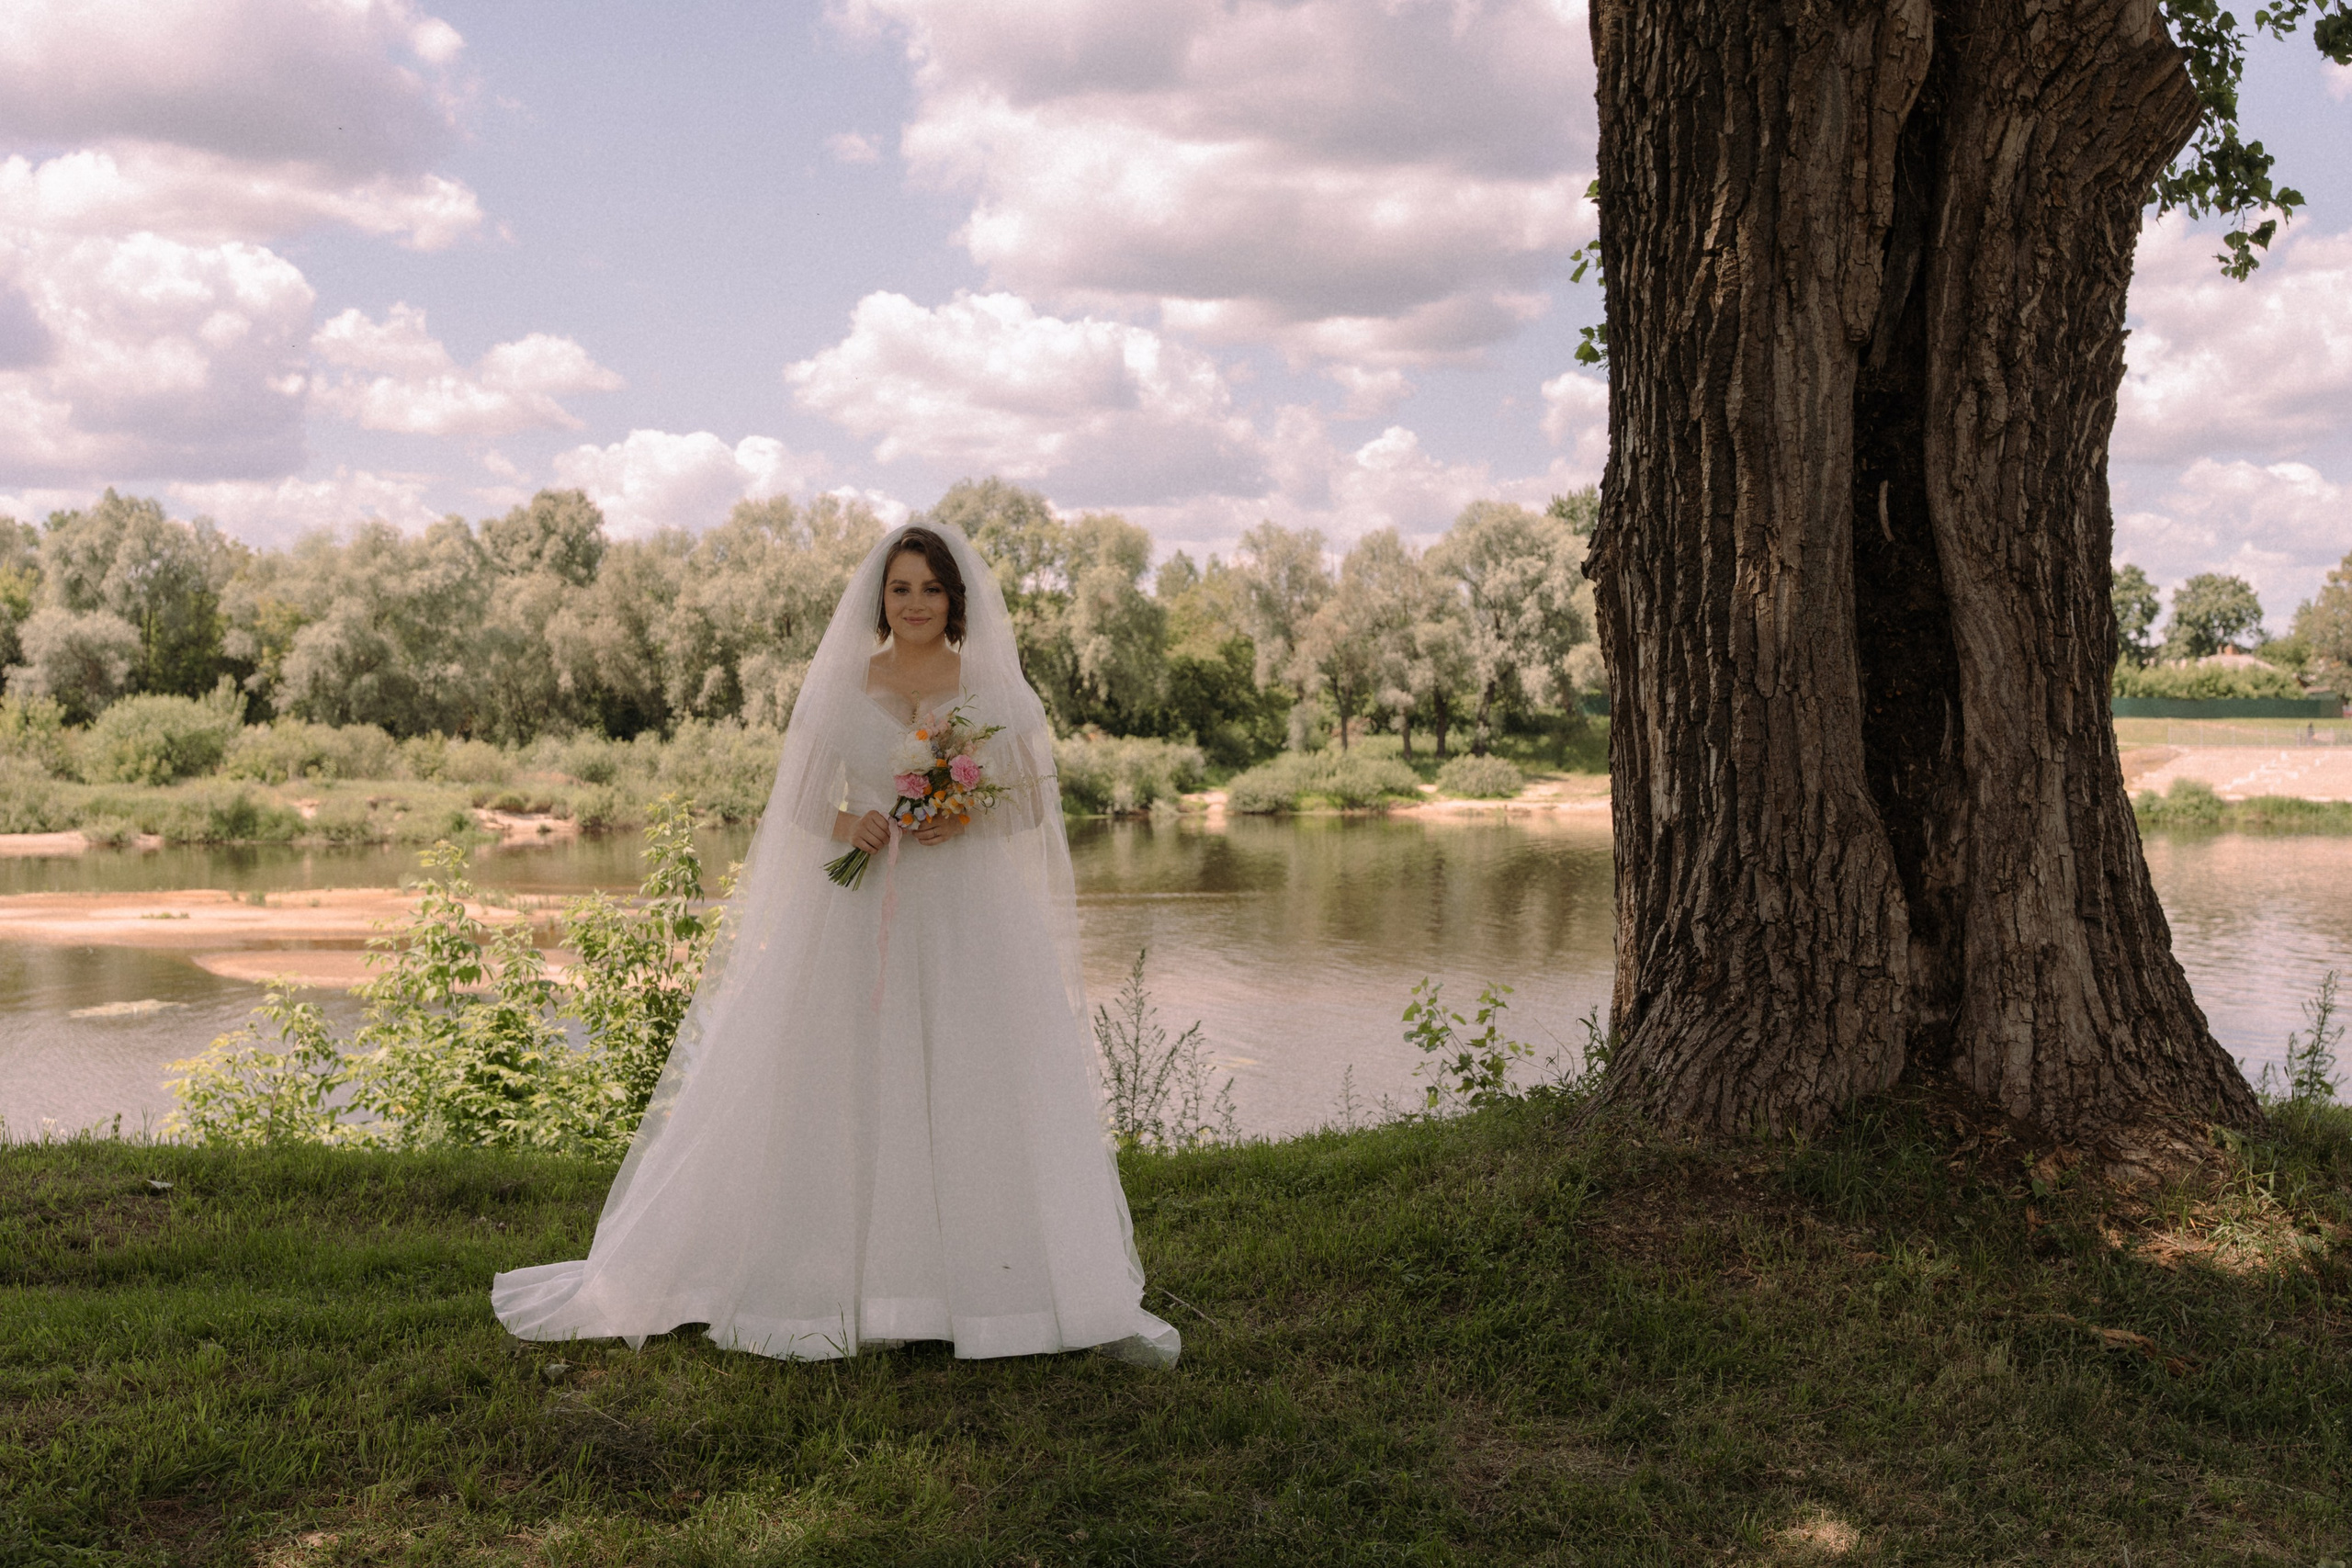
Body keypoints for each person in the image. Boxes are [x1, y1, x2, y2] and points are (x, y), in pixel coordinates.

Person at [492, 523, 1180, 1367]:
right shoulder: (843, 685)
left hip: (968, 909)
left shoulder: (990, 685)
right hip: (864, 907)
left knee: (972, 1071)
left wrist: (960, 810)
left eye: (931, 588)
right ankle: (851, 1281)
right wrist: (847, 821)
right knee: (849, 1071)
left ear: (955, 599)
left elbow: (1034, 805)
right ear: (878, 597)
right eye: (900, 588)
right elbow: (801, 800)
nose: (915, 603)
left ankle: (985, 1294)